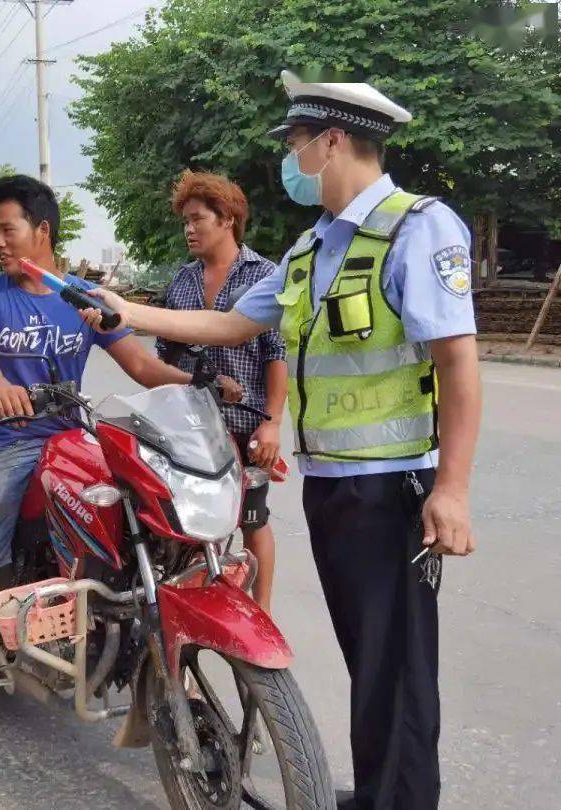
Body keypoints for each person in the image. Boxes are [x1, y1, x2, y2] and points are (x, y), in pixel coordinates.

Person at [83, 71, 481, 810]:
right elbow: (233, 323)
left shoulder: (416, 226)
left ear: (332, 142)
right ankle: (378, 793)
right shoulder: (312, 248)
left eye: (296, 145)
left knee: (398, 668)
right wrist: (124, 310)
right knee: (369, 658)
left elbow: (458, 361)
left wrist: (451, 490)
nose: (289, 161)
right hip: (334, 485)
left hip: (395, 486)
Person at [0, 174, 198, 767]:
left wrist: (202, 389)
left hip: (74, 437)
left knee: (146, 514)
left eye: (6, 228)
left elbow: (142, 368)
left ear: (41, 231)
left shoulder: (83, 299)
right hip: (11, 439)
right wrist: (1, 391)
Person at [156, 170, 288, 613]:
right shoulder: (182, 281)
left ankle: (262, 613)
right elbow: (165, 355)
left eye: (198, 219)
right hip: (193, 431)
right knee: (197, 528)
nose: (189, 229)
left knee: (254, 520)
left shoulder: (264, 276)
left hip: (247, 427)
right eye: (184, 222)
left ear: (227, 218)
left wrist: (271, 423)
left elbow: (277, 354)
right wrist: (200, 374)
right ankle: (196, 618)